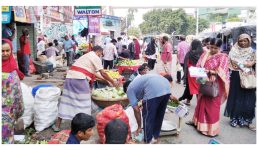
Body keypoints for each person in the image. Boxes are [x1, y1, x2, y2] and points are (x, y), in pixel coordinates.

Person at [52, 46, 119, 132]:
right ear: (98, 52)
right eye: (101, 54)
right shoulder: (95, 57)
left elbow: (96, 74)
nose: (100, 56)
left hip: (70, 78)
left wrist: (107, 80)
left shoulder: (86, 56)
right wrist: (113, 82)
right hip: (80, 79)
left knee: (66, 101)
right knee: (85, 102)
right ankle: (85, 126)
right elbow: (103, 73)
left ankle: (57, 125)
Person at [186, 38, 229, 137]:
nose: (213, 49)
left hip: (214, 84)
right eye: (211, 47)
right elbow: (198, 65)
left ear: (220, 47)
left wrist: (210, 71)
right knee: (201, 103)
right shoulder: (205, 54)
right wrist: (197, 70)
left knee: (212, 106)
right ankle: (197, 123)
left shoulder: (223, 57)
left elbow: (223, 71)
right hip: (203, 81)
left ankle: (210, 130)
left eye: (215, 48)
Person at [123, 74, 172, 144]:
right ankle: (155, 138)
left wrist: (139, 127)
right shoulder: (137, 83)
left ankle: (147, 141)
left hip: (154, 89)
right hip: (167, 87)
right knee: (159, 116)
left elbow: (136, 110)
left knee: (147, 117)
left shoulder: (129, 90)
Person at [224, 34, 256, 130]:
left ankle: (247, 120)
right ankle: (235, 118)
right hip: (236, 77)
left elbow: (253, 64)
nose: (243, 43)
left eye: (245, 41)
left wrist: (250, 64)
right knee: (236, 98)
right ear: (238, 41)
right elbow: (233, 65)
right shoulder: (233, 51)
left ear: (249, 41)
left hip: (248, 78)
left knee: (249, 99)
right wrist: (247, 64)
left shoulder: (252, 51)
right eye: (241, 41)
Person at [2, 39, 24, 144]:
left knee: (7, 136)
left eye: (7, 50)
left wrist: (19, 109)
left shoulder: (13, 67)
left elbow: (17, 92)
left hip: (9, 112)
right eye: (2, 51)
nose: (5, 53)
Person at [179, 39, 203, 106]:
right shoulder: (203, 53)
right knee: (200, 87)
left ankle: (188, 101)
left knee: (190, 87)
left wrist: (185, 73)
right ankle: (200, 102)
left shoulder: (190, 53)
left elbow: (186, 64)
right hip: (200, 72)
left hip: (191, 72)